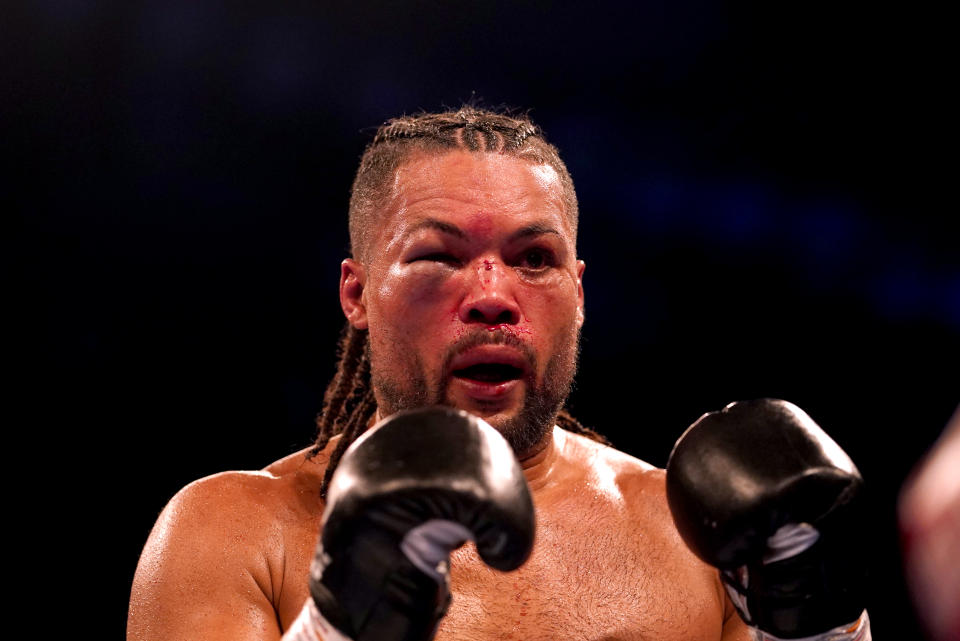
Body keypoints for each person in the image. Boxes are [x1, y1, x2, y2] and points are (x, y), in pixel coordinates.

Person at [128, 108, 868, 641]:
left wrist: (823, 626)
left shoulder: (694, 539)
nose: (490, 296)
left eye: (534, 259)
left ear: (579, 295)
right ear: (356, 292)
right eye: (438, 256)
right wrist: (339, 621)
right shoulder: (233, 534)